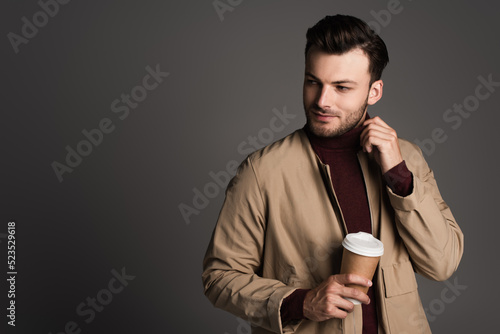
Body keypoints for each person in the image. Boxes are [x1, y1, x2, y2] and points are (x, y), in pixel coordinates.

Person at [202, 14, 464, 334]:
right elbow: (219, 278)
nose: (322, 101)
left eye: (342, 87)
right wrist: (299, 302)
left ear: (374, 91)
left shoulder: (406, 159)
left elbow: (442, 264)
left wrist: (399, 175)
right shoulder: (262, 172)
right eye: (313, 82)